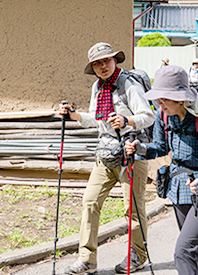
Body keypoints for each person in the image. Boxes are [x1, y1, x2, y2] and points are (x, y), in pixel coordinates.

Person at [58, 43, 155, 274]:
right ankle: (87, 259)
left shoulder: (128, 83)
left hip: (131, 153)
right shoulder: (98, 87)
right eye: (97, 63)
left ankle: (137, 256)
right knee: (90, 201)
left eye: (106, 61)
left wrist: (127, 120)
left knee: (132, 208)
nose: (103, 66)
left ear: (114, 60)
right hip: (106, 153)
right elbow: (96, 119)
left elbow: (148, 116)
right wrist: (74, 115)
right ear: (93, 67)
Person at [125, 65, 198, 275]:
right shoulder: (164, 117)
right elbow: (160, 148)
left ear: (180, 98)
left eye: (164, 99)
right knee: (196, 246)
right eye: (158, 99)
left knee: (183, 249)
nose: (160, 104)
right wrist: (141, 148)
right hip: (178, 186)